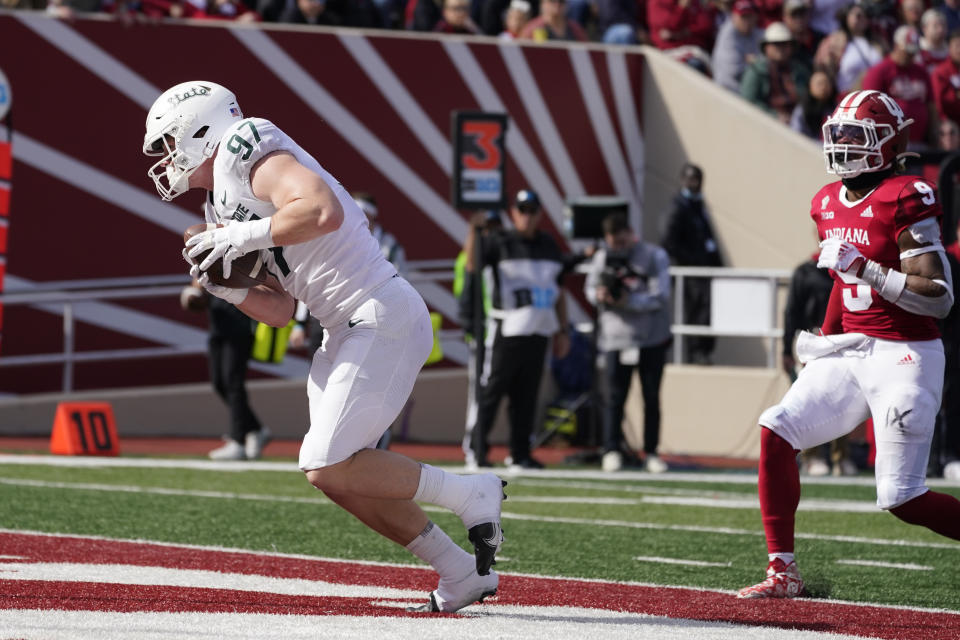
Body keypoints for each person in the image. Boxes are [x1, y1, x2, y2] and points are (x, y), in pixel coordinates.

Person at [143, 81, 505, 613]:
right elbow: (280, 309)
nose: (169, 158)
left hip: (377, 310)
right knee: (333, 475)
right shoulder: (221, 198)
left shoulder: (247, 145)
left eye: (172, 142)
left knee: (326, 460)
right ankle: (458, 570)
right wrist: (230, 287)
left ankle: (469, 492)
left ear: (200, 128)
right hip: (343, 327)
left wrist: (239, 239)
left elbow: (322, 209)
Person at [738, 89, 960, 599]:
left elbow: (939, 298)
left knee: (901, 497)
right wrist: (827, 333)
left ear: (887, 141)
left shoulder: (908, 194)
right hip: (853, 347)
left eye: (854, 136)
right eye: (836, 134)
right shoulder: (825, 201)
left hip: (905, 353)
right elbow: (841, 279)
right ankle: (783, 572)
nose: (841, 145)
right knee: (777, 428)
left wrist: (868, 269)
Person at [463, 189, 570, 470]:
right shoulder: (500, 240)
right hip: (507, 327)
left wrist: (563, 331)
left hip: (540, 329)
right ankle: (477, 450)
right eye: (522, 210)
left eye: (532, 210)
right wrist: (474, 229)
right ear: (513, 213)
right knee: (492, 390)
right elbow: (472, 264)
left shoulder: (548, 244)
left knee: (527, 394)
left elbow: (559, 291)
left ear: (540, 214)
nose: (527, 216)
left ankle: (520, 453)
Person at [585, 212, 672, 474]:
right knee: (615, 397)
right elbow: (589, 289)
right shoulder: (602, 257)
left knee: (651, 397)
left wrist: (629, 302)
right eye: (614, 244)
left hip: (651, 339)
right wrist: (600, 295)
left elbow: (661, 295)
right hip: (616, 339)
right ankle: (612, 450)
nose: (618, 249)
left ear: (631, 234)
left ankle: (651, 452)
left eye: (623, 243)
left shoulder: (654, 256)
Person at [781, 250, 857, 477]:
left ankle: (840, 456)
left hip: (845, 340)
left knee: (844, 399)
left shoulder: (854, 267)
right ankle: (811, 456)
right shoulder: (806, 271)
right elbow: (792, 312)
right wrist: (786, 349)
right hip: (815, 339)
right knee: (812, 400)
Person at [180, 280, 272, 460]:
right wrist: (194, 294)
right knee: (219, 383)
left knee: (233, 382)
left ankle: (238, 441)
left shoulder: (241, 254)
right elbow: (198, 282)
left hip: (240, 325)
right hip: (218, 324)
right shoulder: (206, 255)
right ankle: (255, 429)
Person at [661, 163, 722, 364]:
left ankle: (705, 351)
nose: (694, 184)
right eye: (691, 179)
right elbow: (669, 242)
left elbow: (707, 237)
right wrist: (693, 260)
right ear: (683, 180)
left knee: (709, 311)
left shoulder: (698, 206)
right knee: (696, 311)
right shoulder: (678, 207)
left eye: (697, 180)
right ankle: (696, 353)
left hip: (706, 271)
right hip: (691, 274)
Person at [455, 210, 503, 469]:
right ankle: (473, 448)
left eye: (494, 229)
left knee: (487, 392)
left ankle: (478, 447)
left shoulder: (499, 258)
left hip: (499, 333)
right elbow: (465, 294)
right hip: (483, 333)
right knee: (479, 393)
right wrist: (469, 326)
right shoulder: (468, 258)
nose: (490, 235)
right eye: (485, 230)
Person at [862, 26, 936, 151]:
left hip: (920, 142)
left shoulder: (921, 71)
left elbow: (931, 105)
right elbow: (869, 108)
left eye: (913, 53)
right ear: (896, 46)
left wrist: (934, 132)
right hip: (890, 144)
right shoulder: (879, 71)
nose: (910, 56)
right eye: (907, 52)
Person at [741, 22, 812, 124]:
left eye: (784, 44)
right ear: (766, 47)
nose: (780, 48)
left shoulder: (800, 69)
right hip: (766, 125)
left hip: (800, 122)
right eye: (776, 44)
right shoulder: (755, 71)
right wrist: (774, 116)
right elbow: (748, 101)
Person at [711, 0, 764, 94]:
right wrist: (756, 63)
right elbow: (734, 71)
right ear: (734, 17)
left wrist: (754, 62)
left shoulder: (757, 33)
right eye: (743, 17)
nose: (747, 21)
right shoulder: (728, 34)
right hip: (726, 92)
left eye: (749, 16)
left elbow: (770, 62)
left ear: (755, 17)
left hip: (746, 93)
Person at [518, 0, 588, 41]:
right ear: (543, 3)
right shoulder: (532, 28)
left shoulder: (575, 29)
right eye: (552, 1)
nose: (557, 4)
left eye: (561, 1)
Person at [931, 29, 960, 127]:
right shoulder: (941, 72)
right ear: (949, 47)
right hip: (950, 127)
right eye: (957, 46)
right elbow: (938, 102)